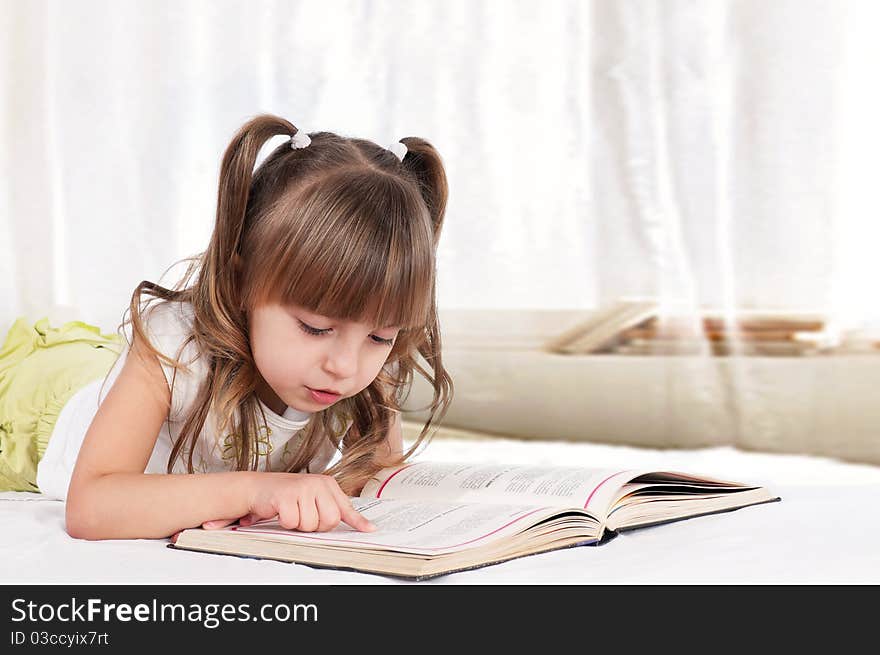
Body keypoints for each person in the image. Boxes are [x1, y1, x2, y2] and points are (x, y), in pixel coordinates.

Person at [0, 113, 453, 541]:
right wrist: (254, 490)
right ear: (241, 282)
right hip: (38, 400)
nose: (345, 366)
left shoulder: (360, 366)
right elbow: (90, 507)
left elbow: (382, 483)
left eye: (380, 337)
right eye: (315, 328)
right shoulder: (174, 347)